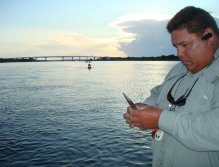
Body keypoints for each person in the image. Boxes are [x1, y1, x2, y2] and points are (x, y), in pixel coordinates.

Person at [123, 6, 219, 167]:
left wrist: (159, 118)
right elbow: (158, 92)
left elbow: (214, 130)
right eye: (176, 47)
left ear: (208, 36)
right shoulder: (179, 68)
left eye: (184, 45)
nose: (178, 54)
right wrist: (144, 111)